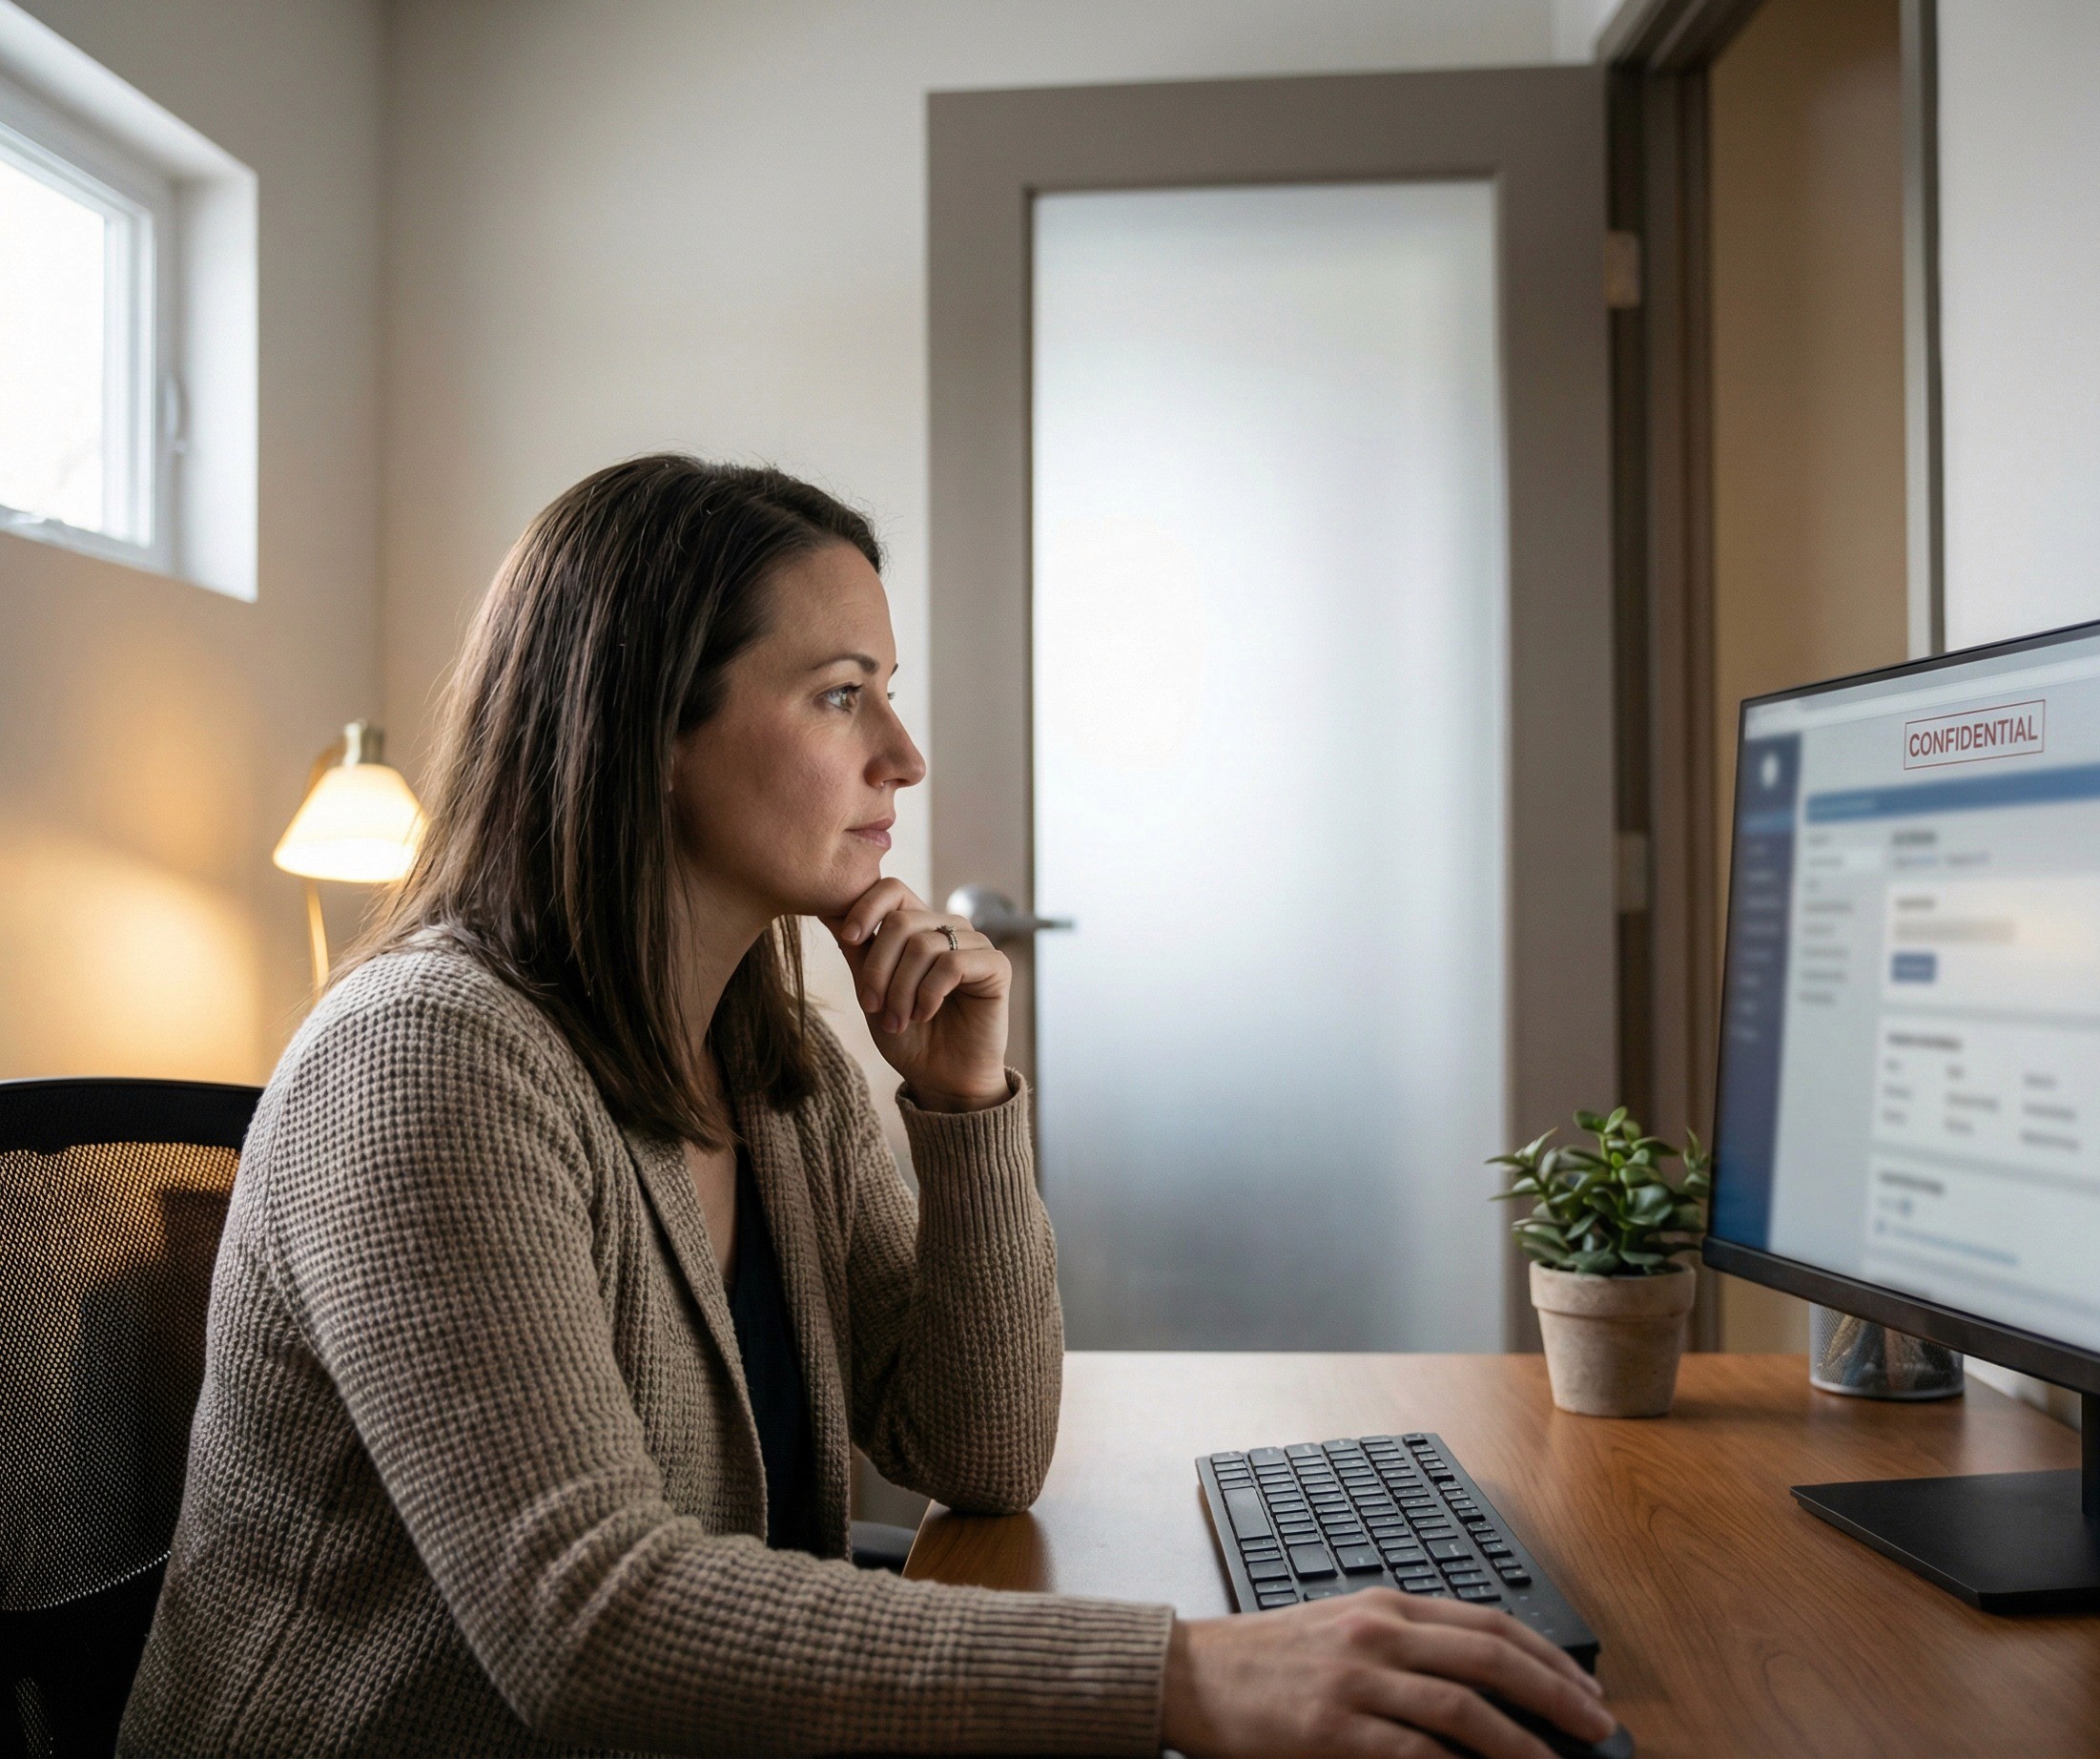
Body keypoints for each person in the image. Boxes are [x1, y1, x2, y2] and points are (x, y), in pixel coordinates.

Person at [121, 455, 1616, 1757]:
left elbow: (979, 1447)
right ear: (647, 727)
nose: (903, 758)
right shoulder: (427, 1060)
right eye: (843, 698)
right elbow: (581, 1619)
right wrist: (1176, 1675)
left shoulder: (778, 1064)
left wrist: (965, 1110)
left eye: (888, 695)